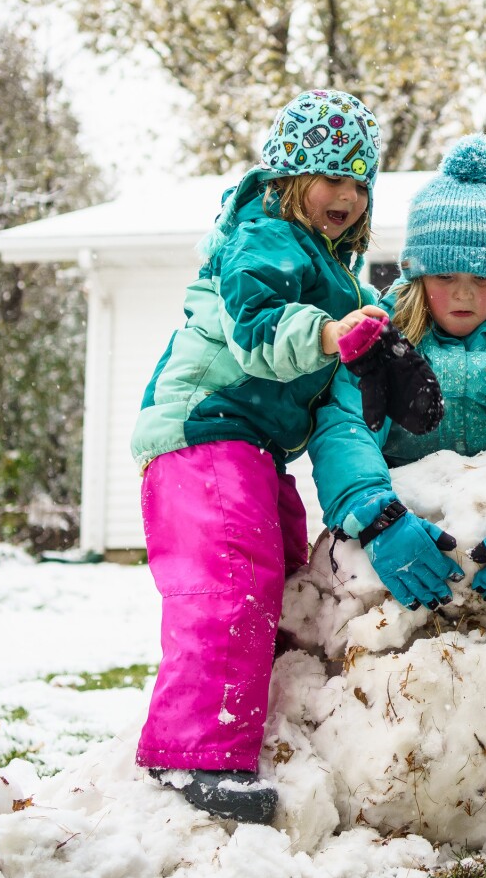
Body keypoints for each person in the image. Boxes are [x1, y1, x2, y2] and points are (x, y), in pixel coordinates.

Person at [129, 89, 439, 824]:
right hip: (200, 433)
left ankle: (259, 724)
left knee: (288, 573)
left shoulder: (337, 274)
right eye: (331, 176)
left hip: (251, 448)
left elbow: (342, 362)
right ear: (291, 177)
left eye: (361, 182)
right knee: (229, 579)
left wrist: (384, 366)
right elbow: (259, 330)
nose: (347, 195)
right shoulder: (261, 238)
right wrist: (334, 336)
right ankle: (189, 751)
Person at [310, 134, 486, 611]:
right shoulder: (383, 333)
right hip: (403, 528)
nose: (464, 295)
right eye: (445, 278)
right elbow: (346, 426)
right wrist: (377, 519)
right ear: (418, 275)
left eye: (481, 279)